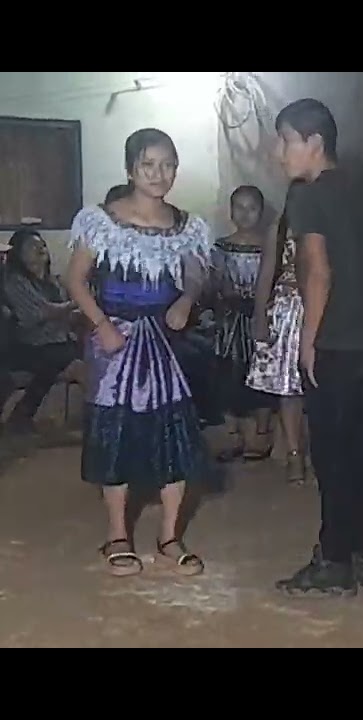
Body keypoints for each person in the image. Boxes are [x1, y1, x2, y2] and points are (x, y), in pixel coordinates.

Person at [63, 128, 212, 577]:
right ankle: (117, 536)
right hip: (117, 344)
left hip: (165, 344)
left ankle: (169, 536)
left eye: (167, 164)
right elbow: (74, 280)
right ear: (130, 169)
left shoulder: (188, 225)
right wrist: (102, 325)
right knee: (116, 437)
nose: (159, 174)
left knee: (175, 436)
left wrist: (186, 301)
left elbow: (196, 276)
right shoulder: (101, 221)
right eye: (148, 165)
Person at [272, 99, 363, 598]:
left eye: (285, 141)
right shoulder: (362, 192)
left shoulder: (307, 196)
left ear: (313, 144)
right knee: (360, 451)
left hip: (336, 341)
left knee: (331, 455)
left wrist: (309, 341)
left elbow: (318, 272)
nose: (278, 153)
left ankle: (334, 559)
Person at [211, 185, 276, 461]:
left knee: (262, 373)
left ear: (261, 212)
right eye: (239, 207)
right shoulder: (221, 246)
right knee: (228, 373)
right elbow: (215, 282)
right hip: (229, 320)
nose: (245, 213)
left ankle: (262, 433)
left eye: (252, 208)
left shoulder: (270, 246)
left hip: (260, 316)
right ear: (231, 211)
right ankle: (232, 432)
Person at [246, 190, 307, 483]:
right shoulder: (280, 229)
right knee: (288, 386)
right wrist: (260, 317)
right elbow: (266, 274)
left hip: (324, 308)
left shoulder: (331, 225)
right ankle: (294, 453)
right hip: (287, 310)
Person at [2, 228, 82, 434]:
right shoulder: (15, 281)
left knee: (86, 357)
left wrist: (79, 311)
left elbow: (67, 317)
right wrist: (77, 302)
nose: (40, 249)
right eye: (32, 246)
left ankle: (22, 416)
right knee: (74, 365)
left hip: (59, 342)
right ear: (17, 254)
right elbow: (42, 312)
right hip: (29, 345)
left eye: (42, 245)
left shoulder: (54, 282)